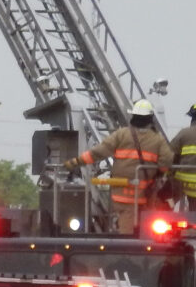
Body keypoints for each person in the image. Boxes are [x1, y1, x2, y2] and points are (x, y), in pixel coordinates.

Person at [63, 99, 173, 234]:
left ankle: (128, 250)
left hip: (121, 195)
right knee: (145, 229)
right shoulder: (157, 140)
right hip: (144, 194)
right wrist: (157, 174)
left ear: (133, 116)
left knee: (127, 231)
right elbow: (167, 162)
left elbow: (98, 152)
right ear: (150, 119)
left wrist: (75, 162)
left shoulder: (121, 134)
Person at [170, 103, 196, 211]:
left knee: (163, 192)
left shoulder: (184, 133)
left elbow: (169, 156)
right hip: (186, 186)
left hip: (184, 185)